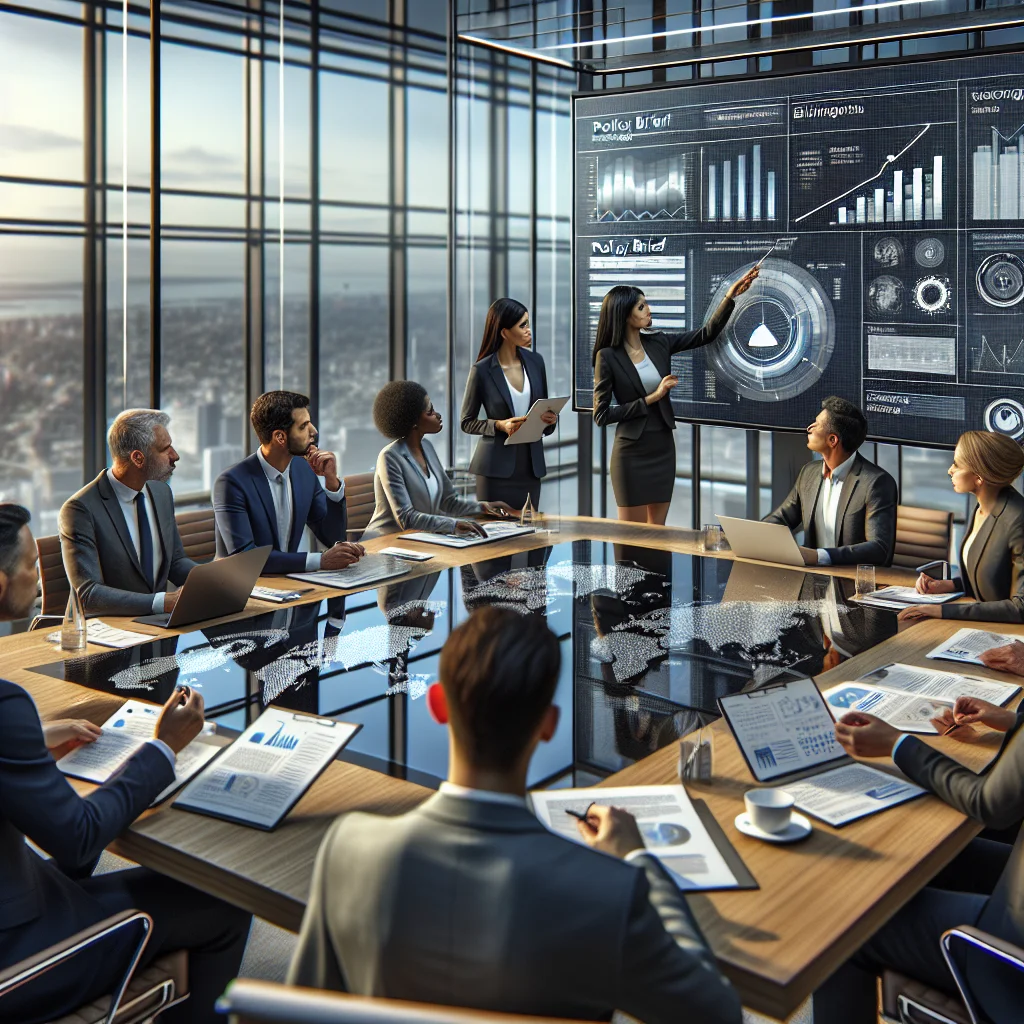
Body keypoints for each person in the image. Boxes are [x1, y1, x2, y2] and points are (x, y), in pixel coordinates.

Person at [287, 607, 742, 1024]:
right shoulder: (606, 893)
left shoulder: (346, 850)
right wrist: (639, 863)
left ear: (438, 704)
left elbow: (298, 1012)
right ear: (548, 725)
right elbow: (718, 1014)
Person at [0, 503, 251, 1024]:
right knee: (224, 902)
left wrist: (30, 740)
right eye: (30, 563)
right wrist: (163, 748)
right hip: (16, 957)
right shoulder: (5, 705)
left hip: (17, 890)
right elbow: (78, 837)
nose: (39, 574)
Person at [816, 697, 1024, 1024]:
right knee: (926, 855)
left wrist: (896, 744)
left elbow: (987, 803)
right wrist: (1015, 722)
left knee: (842, 932)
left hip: (1009, 958)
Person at [592, 268, 759, 525]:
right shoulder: (608, 356)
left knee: (658, 532)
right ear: (625, 315)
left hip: (662, 445)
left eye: (646, 303)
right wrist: (653, 396)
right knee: (630, 537)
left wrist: (730, 295)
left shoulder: (659, 342)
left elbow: (706, 334)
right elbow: (601, 415)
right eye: (641, 306)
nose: (648, 309)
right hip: (630, 452)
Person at [59, 409, 199, 616]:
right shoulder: (80, 510)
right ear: (138, 458)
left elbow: (175, 562)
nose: (175, 456)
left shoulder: (161, 493)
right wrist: (162, 602)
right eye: (165, 449)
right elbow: (88, 594)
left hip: (157, 626)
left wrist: (215, 580)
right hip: (107, 630)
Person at [214, 391, 362, 574]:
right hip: (247, 591)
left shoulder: (304, 470)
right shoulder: (232, 483)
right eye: (304, 426)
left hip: (291, 586)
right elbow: (246, 557)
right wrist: (320, 560)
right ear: (280, 437)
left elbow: (332, 536)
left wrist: (331, 482)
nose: (314, 431)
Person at [363, 380, 515, 540]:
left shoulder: (426, 447)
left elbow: (448, 501)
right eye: (430, 412)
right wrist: (453, 525)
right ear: (413, 422)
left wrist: (483, 507)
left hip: (420, 540)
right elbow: (406, 518)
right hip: (385, 543)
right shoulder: (389, 457)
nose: (438, 415)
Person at [899, 431, 1024, 624]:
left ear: (979, 477)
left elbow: (1020, 608)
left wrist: (943, 610)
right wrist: (947, 585)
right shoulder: (982, 508)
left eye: (957, 464)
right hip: (984, 624)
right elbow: (994, 582)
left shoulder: (1018, 520)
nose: (950, 470)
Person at [763, 396, 898, 566]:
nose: (809, 428)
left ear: (833, 440)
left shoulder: (876, 483)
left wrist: (818, 556)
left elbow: (879, 549)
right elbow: (782, 518)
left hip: (852, 582)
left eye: (816, 424)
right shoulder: (809, 473)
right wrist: (754, 536)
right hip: (811, 579)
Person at [460, 298, 558, 510]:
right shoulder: (482, 370)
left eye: (528, 323)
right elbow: (467, 422)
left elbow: (546, 414)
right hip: (495, 470)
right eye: (522, 325)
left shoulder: (536, 361)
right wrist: (499, 425)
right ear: (504, 332)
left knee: (530, 533)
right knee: (496, 536)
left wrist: (550, 420)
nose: (528, 330)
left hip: (530, 468)